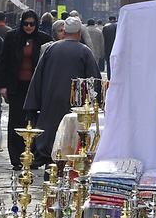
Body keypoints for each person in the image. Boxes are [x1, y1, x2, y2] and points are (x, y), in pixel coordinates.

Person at [24, 17, 100, 167]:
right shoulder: (85, 51)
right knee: (71, 136)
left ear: (64, 31)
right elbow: (94, 82)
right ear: (79, 32)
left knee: (51, 134)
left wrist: (33, 104)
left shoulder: (51, 49)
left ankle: (50, 167)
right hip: (75, 105)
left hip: (50, 100)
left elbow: (37, 77)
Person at [0, 9, 51, 170]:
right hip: (16, 86)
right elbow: (3, 62)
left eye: (32, 24)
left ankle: (33, 156)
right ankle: (16, 158)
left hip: (35, 87)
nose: (29, 27)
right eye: (26, 24)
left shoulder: (44, 39)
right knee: (16, 120)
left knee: (33, 121)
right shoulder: (12, 37)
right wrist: (3, 86)